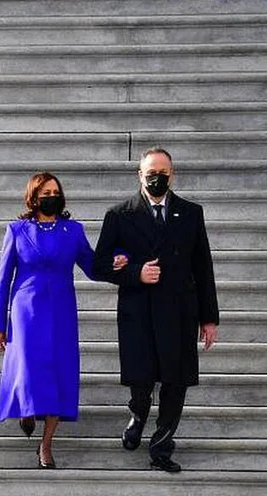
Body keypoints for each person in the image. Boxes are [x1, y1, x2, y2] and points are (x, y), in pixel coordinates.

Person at [93, 148, 219, 473]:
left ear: (172, 175)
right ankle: (137, 415)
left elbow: (203, 267)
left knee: (175, 383)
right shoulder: (120, 214)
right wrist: (135, 272)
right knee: (141, 381)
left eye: (163, 171)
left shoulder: (191, 213)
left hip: (179, 312)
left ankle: (161, 447)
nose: (157, 177)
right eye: (151, 171)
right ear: (139, 174)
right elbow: (100, 264)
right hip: (139, 313)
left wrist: (209, 318)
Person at [0, 172, 125, 469]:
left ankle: (46, 445)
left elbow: (92, 266)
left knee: (60, 372)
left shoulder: (72, 231)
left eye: (55, 191)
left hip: (61, 309)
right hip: (26, 309)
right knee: (28, 366)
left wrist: (116, 261)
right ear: (34, 197)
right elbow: (2, 279)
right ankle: (26, 408)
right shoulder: (17, 230)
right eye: (45, 192)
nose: (52, 196)